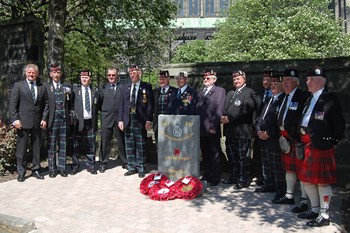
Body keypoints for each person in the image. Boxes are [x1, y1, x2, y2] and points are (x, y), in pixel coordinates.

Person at [297, 66, 345, 227]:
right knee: (306, 180)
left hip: (321, 145)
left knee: (322, 182)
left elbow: (339, 124)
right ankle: (315, 209)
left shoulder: (329, 99)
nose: (307, 82)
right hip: (307, 144)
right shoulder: (310, 98)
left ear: (320, 82)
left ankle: (324, 214)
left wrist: (332, 141)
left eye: (310, 79)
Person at [272, 69, 310, 213]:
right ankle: (289, 195)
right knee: (289, 169)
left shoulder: (303, 97)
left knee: (301, 170)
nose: (285, 83)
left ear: (296, 83)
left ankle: (304, 201)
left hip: (296, 139)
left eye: (288, 80)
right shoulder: (283, 98)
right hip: (284, 138)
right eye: (284, 80)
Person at [9, 63, 47, 182]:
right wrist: (15, 119)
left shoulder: (42, 86)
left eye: (33, 72)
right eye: (29, 72)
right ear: (26, 73)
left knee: (36, 148)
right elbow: (13, 104)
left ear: (37, 74)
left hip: (37, 122)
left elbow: (46, 104)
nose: (31, 74)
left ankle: (36, 169)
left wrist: (44, 118)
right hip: (22, 123)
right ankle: (21, 171)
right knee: (22, 148)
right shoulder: (18, 86)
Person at [221, 70, 256, 189]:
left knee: (242, 158)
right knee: (232, 156)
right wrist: (223, 117)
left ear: (244, 79)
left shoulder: (249, 92)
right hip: (230, 131)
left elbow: (247, 109)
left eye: (238, 79)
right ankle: (234, 176)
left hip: (242, 131)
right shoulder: (231, 93)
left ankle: (243, 179)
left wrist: (229, 118)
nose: (236, 81)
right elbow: (225, 109)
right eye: (234, 79)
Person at [118, 64, 154, 178]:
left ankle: (141, 167)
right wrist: (120, 120)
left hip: (141, 119)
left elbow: (150, 105)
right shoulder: (125, 87)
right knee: (129, 144)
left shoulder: (146, 86)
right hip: (128, 118)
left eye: (134, 72)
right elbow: (121, 105)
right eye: (130, 73)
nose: (132, 75)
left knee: (140, 145)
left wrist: (149, 119)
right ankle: (131, 167)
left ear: (139, 73)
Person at [254, 73, 286, 196]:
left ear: (282, 85)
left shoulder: (283, 99)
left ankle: (280, 190)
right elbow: (259, 118)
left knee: (276, 166)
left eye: (276, 84)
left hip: (273, 139)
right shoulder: (269, 99)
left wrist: (269, 133)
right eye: (272, 84)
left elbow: (280, 121)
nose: (273, 86)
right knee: (266, 165)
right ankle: (268, 184)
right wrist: (258, 131)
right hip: (263, 138)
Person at [195, 68, 226, 186]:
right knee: (205, 152)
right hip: (201, 127)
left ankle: (216, 176)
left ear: (214, 79)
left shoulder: (219, 91)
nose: (205, 80)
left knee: (214, 152)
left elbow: (219, 109)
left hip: (211, 127)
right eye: (204, 78)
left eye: (208, 78)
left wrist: (214, 125)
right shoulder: (201, 92)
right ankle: (207, 173)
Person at [43, 64, 72, 178]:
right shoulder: (47, 87)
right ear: (51, 74)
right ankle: (52, 169)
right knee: (52, 145)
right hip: (52, 119)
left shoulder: (66, 87)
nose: (56, 75)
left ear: (61, 74)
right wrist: (44, 119)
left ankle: (62, 168)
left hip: (64, 119)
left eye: (58, 73)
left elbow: (70, 103)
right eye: (54, 73)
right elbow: (45, 105)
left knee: (63, 145)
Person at [97, 67, 127, 173]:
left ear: (117, 76)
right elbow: (99, 104)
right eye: (109, 75)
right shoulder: (103, 88)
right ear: (107, 76)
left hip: (119, 118)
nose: (111, 77)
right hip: (106, 117)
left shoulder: (122, 87)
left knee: (121, 140)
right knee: (105, 140)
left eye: (113, 75)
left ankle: (124, 161)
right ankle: (103, 162)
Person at [71, 69, 99, 175]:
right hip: (78, 122)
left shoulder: (95, 91)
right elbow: (71, 104)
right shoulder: (75, 90)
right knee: (76, 145)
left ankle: (90, 166)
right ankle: (75, 165)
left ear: (90, 79)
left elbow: (98, 105)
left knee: (91, 145)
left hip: (90, 121)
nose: (84, 79)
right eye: (82, 77)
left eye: (86, 77)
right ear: (80, 78)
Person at [251, 68, 273, 186]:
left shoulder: (277, 95)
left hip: (270, 131)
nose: (265, 82)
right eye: (264, 79)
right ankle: (260, 176)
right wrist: (256, 129)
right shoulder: (258, 95)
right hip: (258, 130)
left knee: (271, 157)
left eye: (268, 79)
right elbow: (255, 113)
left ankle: (271, 179)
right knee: (258, 155)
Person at [153, 70, 177, 141]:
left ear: (168, 79)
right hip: (158, 124)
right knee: (159, 146)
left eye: (164, 79)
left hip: (170, 124)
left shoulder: (175, 91)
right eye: (160, 79)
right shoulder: (155, 92)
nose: (161, 81)